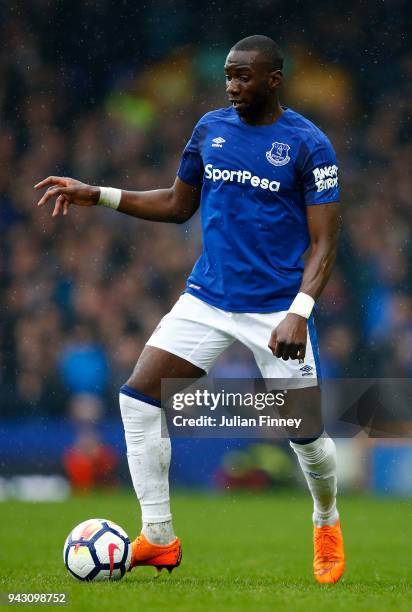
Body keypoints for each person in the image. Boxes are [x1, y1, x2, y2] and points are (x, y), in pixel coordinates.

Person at [35, 35, 344, 584]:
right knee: (138, 399)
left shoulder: (308, 144)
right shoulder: (211, 129)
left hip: (276, 310)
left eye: (243, 77)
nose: (231, 86)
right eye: (228, 76)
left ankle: (325, 519)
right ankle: (158, 538)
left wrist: (299, 310)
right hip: (206, 298)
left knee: (307, 439)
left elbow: (325, 243)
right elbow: (180, 205)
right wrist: (98, 193)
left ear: (274, 79)